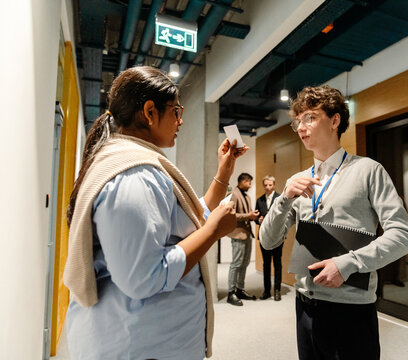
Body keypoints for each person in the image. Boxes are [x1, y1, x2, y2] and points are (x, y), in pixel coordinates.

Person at [63, 66, 247, 360]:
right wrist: (212, 232)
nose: (180, 120)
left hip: (144, 341)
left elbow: (185, 220)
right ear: (149, 112)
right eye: (175, 111)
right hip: (139, 345)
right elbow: (143, 278)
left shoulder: (133, 164)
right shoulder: (135, 176)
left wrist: (224, 172)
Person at [260, 85, 408, 360]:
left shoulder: (367, 170)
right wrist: (284, 197)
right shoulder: (298, 181)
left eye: (310, 117)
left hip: (351, 308)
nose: (300, 127)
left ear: (334, 120)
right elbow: (268, 240)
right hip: (305, 305)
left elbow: (403, 234)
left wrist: (348, 263)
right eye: (297, 121)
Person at [226, 172, 260, 306]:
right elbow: (230, 215)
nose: (250, 185)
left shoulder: (247, 196)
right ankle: (231, 292)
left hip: (247, 233)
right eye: (248, 182)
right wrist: (248, 216)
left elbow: (248, 213)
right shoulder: (233, 194)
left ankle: (240, 289)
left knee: (245, 263)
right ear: (241, 182)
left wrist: (255, 216)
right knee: (236, 264)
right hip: (237, 233)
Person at [255, 175, 283, 301]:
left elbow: (284, 216)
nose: (267, 187)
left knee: (277, 263)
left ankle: (277, 290)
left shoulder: (279, 198)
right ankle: (267, 290)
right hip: (264, 236)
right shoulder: (259, 200)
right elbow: (256, 217)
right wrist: (258, 219)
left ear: (274, 185)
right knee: (266, 264)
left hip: (277, 236)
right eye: (265, 185)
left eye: (270, 185)